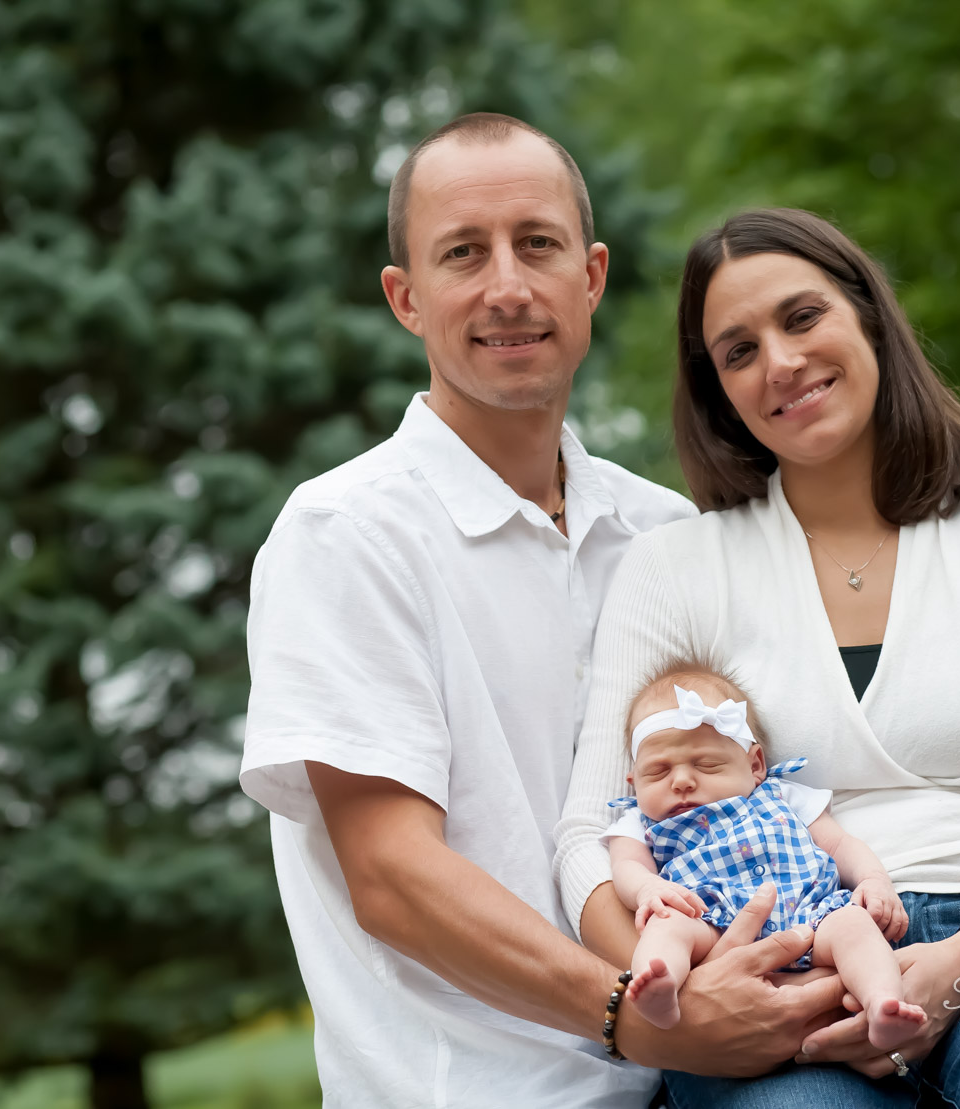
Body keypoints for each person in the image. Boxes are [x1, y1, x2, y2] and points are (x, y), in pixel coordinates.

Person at [238, 117, 850, 1108]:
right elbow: (392, 874)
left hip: (712, 1078)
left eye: (538, 243)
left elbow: (785, 762)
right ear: (407, 298)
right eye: (463, 253)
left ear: (592, 276)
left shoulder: (667, 533)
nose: (508, 286)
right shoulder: (344, 534)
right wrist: (644, 1012)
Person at [554, 207, 960, 1107]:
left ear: (868, 317)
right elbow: (589, 833)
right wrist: (685, 1002)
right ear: (718, 391)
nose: (780, 362)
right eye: (737, 351)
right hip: (779, 972)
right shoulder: (675, 570)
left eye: (802, 318)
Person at [606, 661, 927, 1050]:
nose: (682, 781)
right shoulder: (637, 822)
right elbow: (626, 866)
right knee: (665, 925)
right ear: (633, 782)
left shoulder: (783, 794)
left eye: (707, 764)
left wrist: (874, 880)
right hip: (711, 921)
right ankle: (662, 989)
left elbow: (840, 845)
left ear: (755, 765)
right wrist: (647, 890)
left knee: (855, 924)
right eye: (657, 772)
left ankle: (883, 1003)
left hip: (812, 915)